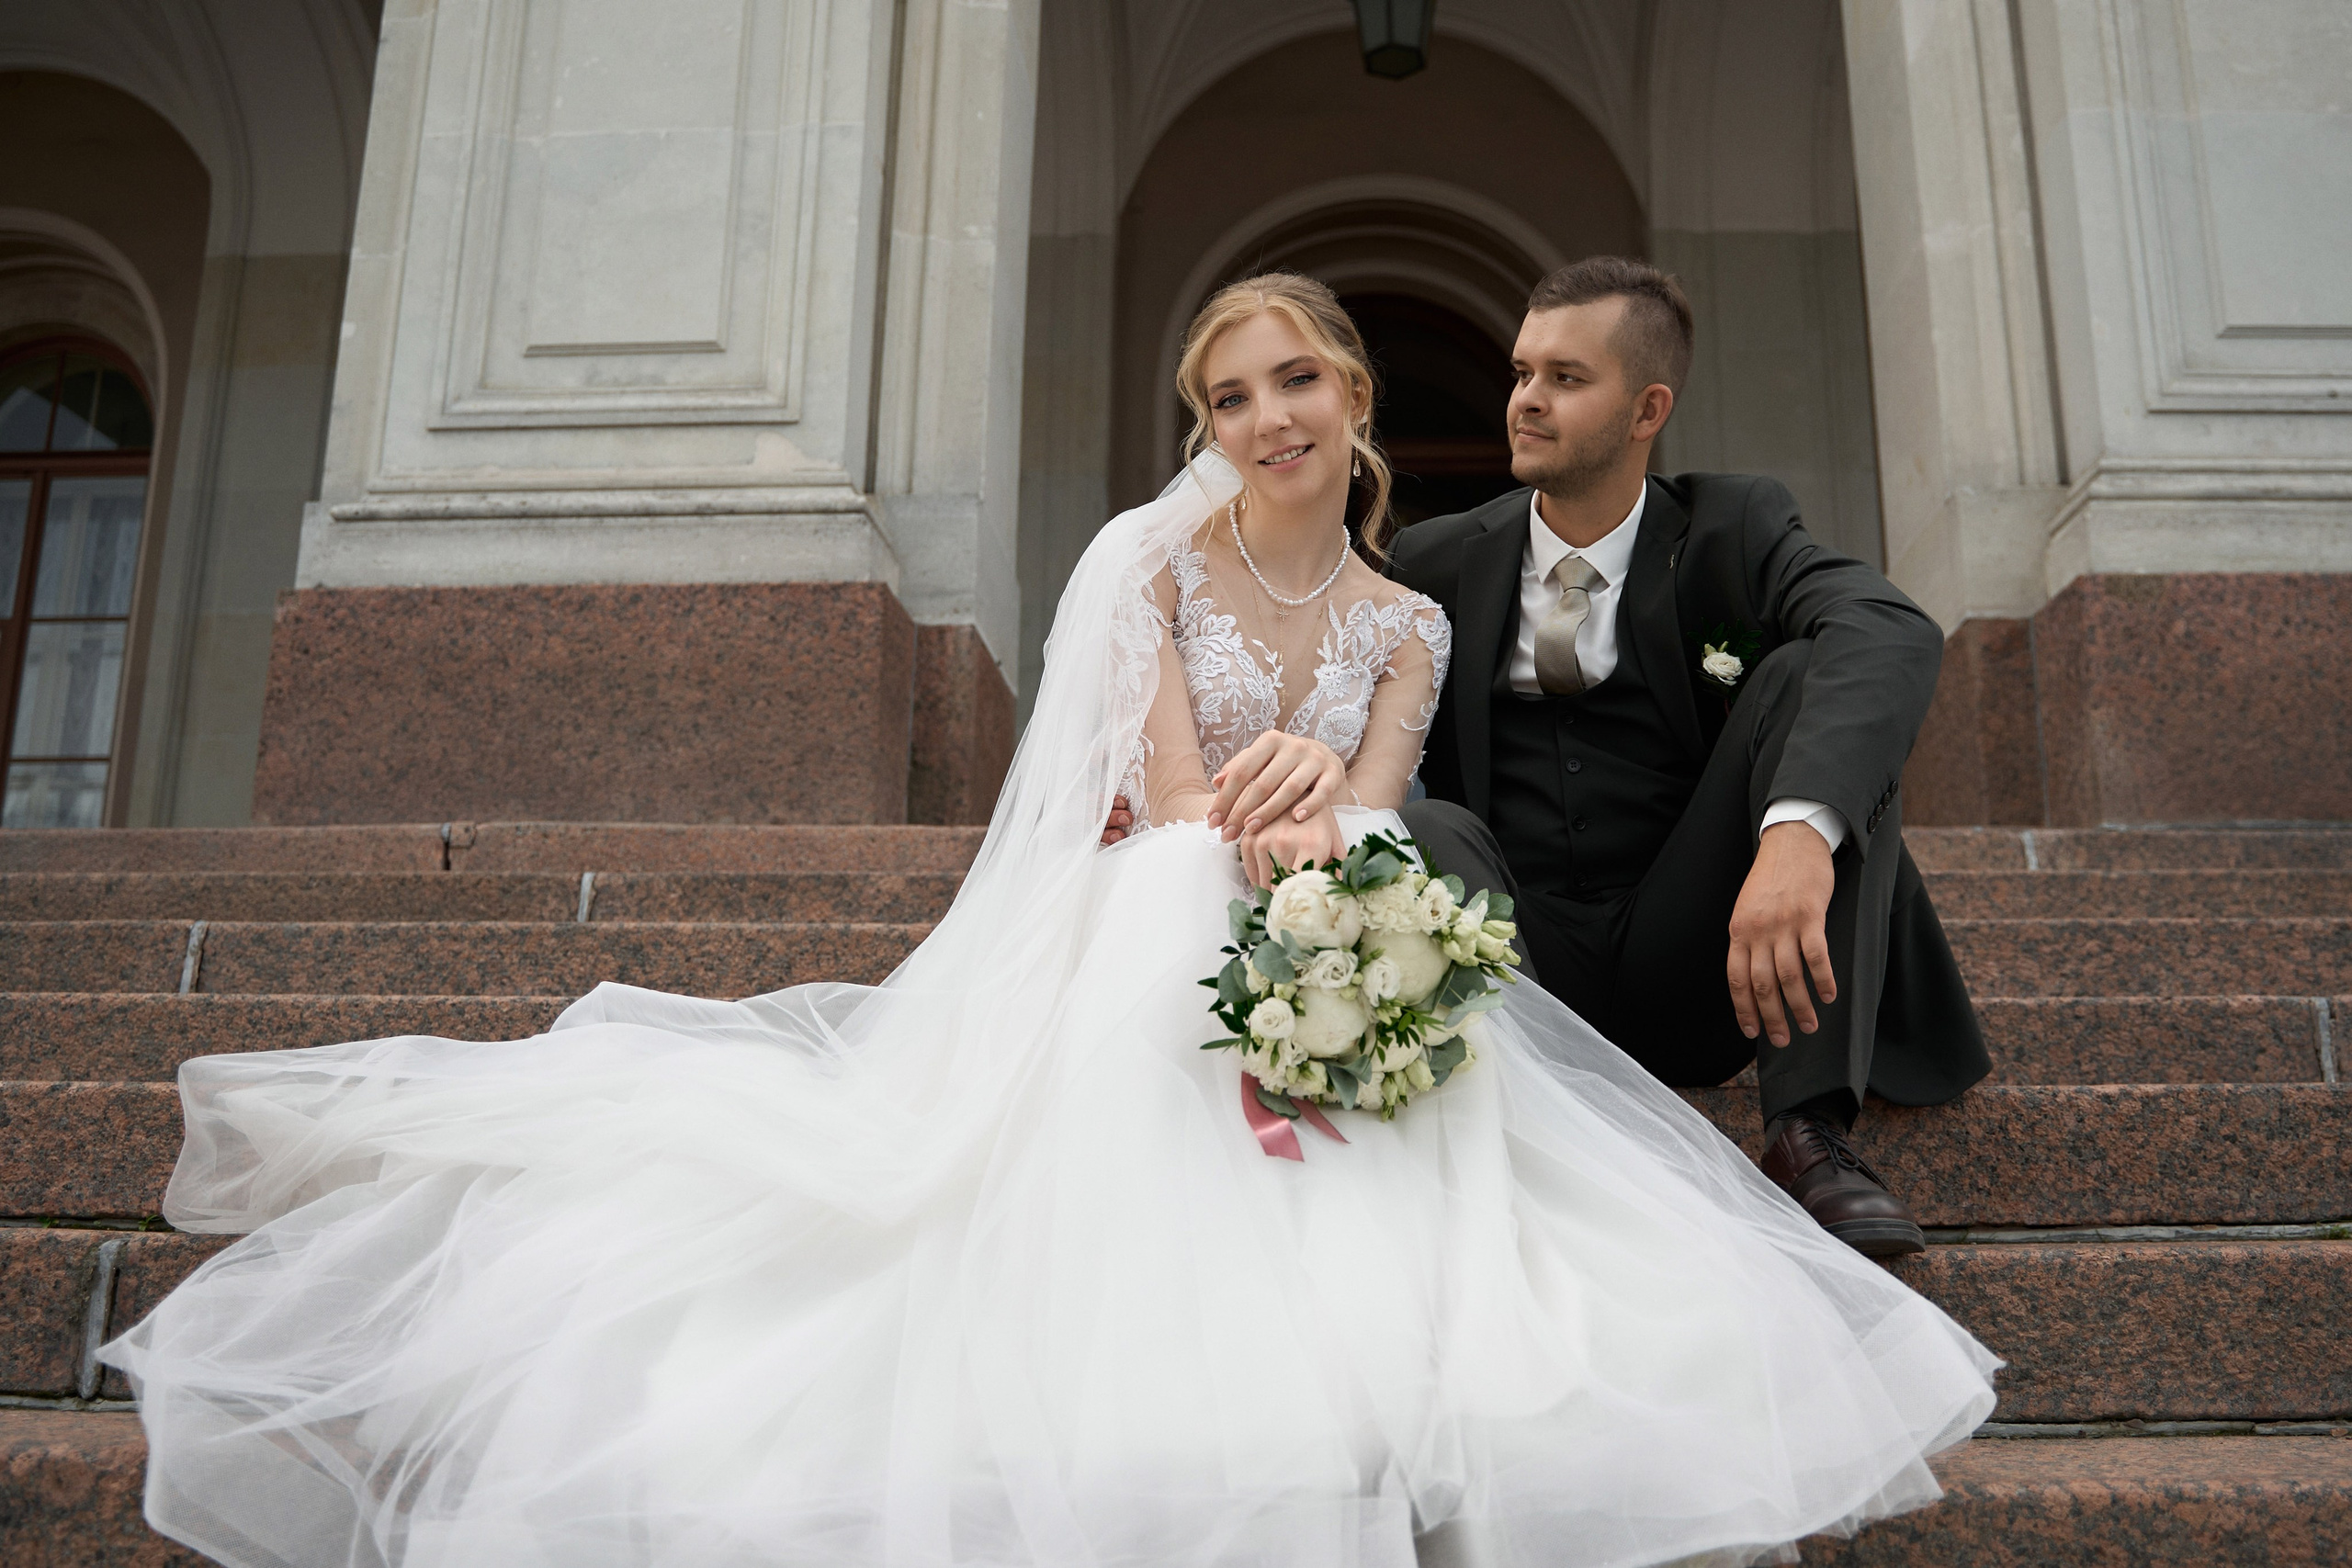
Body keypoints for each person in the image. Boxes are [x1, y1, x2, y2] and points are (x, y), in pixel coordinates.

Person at [104, 273, 1994, 1568]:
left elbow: (1393, 772)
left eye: (1294, 383)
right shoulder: (1162, 565)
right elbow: (1165, 797)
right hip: (1199, 875)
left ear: (1353, 396)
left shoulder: (1423, 604)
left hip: (1487, 897)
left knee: (1425, 870)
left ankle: (1716, 1138)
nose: (1262, 419)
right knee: (1210, 895)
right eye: (1227, 398)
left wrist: (1331, 821)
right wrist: (1270, 821)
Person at [1165, 259, 1986, 1259]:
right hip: (1518, 960)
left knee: (1805, 674)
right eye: (1521, 373)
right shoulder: (1433, 563)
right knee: (1426, 827)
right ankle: (1499, 1111)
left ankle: (1809, 1134)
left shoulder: (1733, 528)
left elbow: (1887, 629)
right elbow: (1320, 697)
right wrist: (1142, 790)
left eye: (1565, 378)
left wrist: (1795, 841)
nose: (1526, 399)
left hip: (1704, 957)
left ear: (1647, 410)